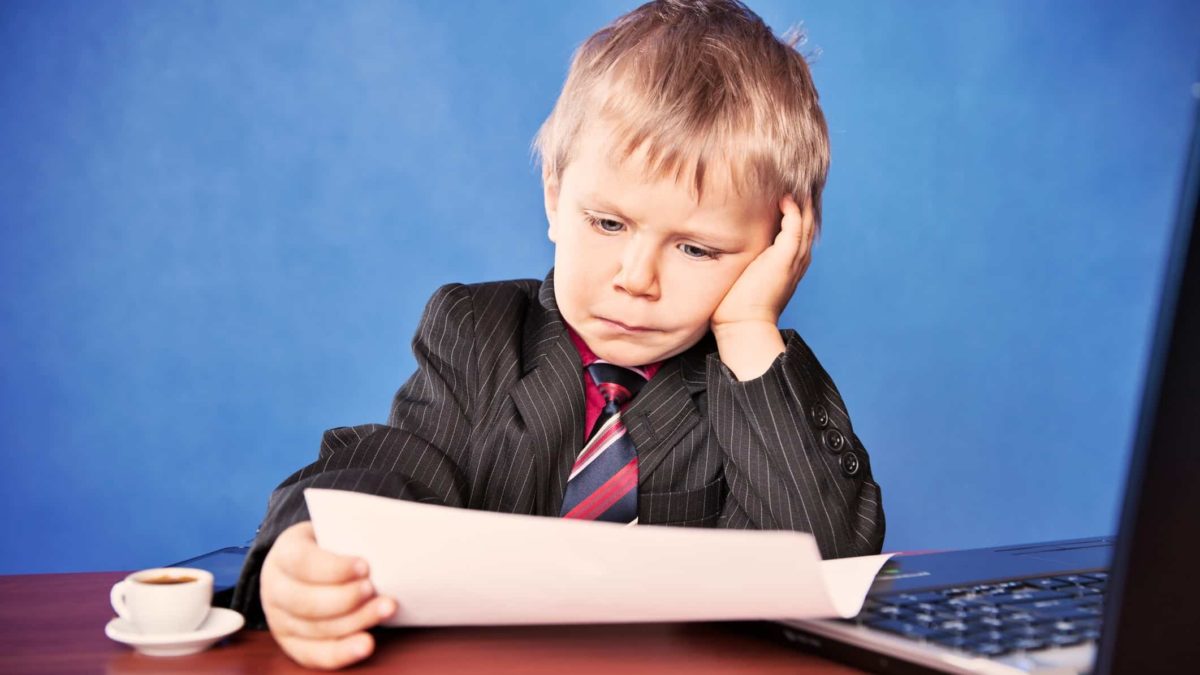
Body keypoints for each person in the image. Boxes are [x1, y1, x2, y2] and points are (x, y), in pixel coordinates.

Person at [231, 0, 885, 669]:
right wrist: (306, 545)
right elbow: (398, 461)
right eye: (608, 223)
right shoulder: (479, 333)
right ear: (554, 195)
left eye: (695, 249)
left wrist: (748, 325)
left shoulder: (755, 381)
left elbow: (824, 565)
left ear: (776, 249)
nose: (637, 278)